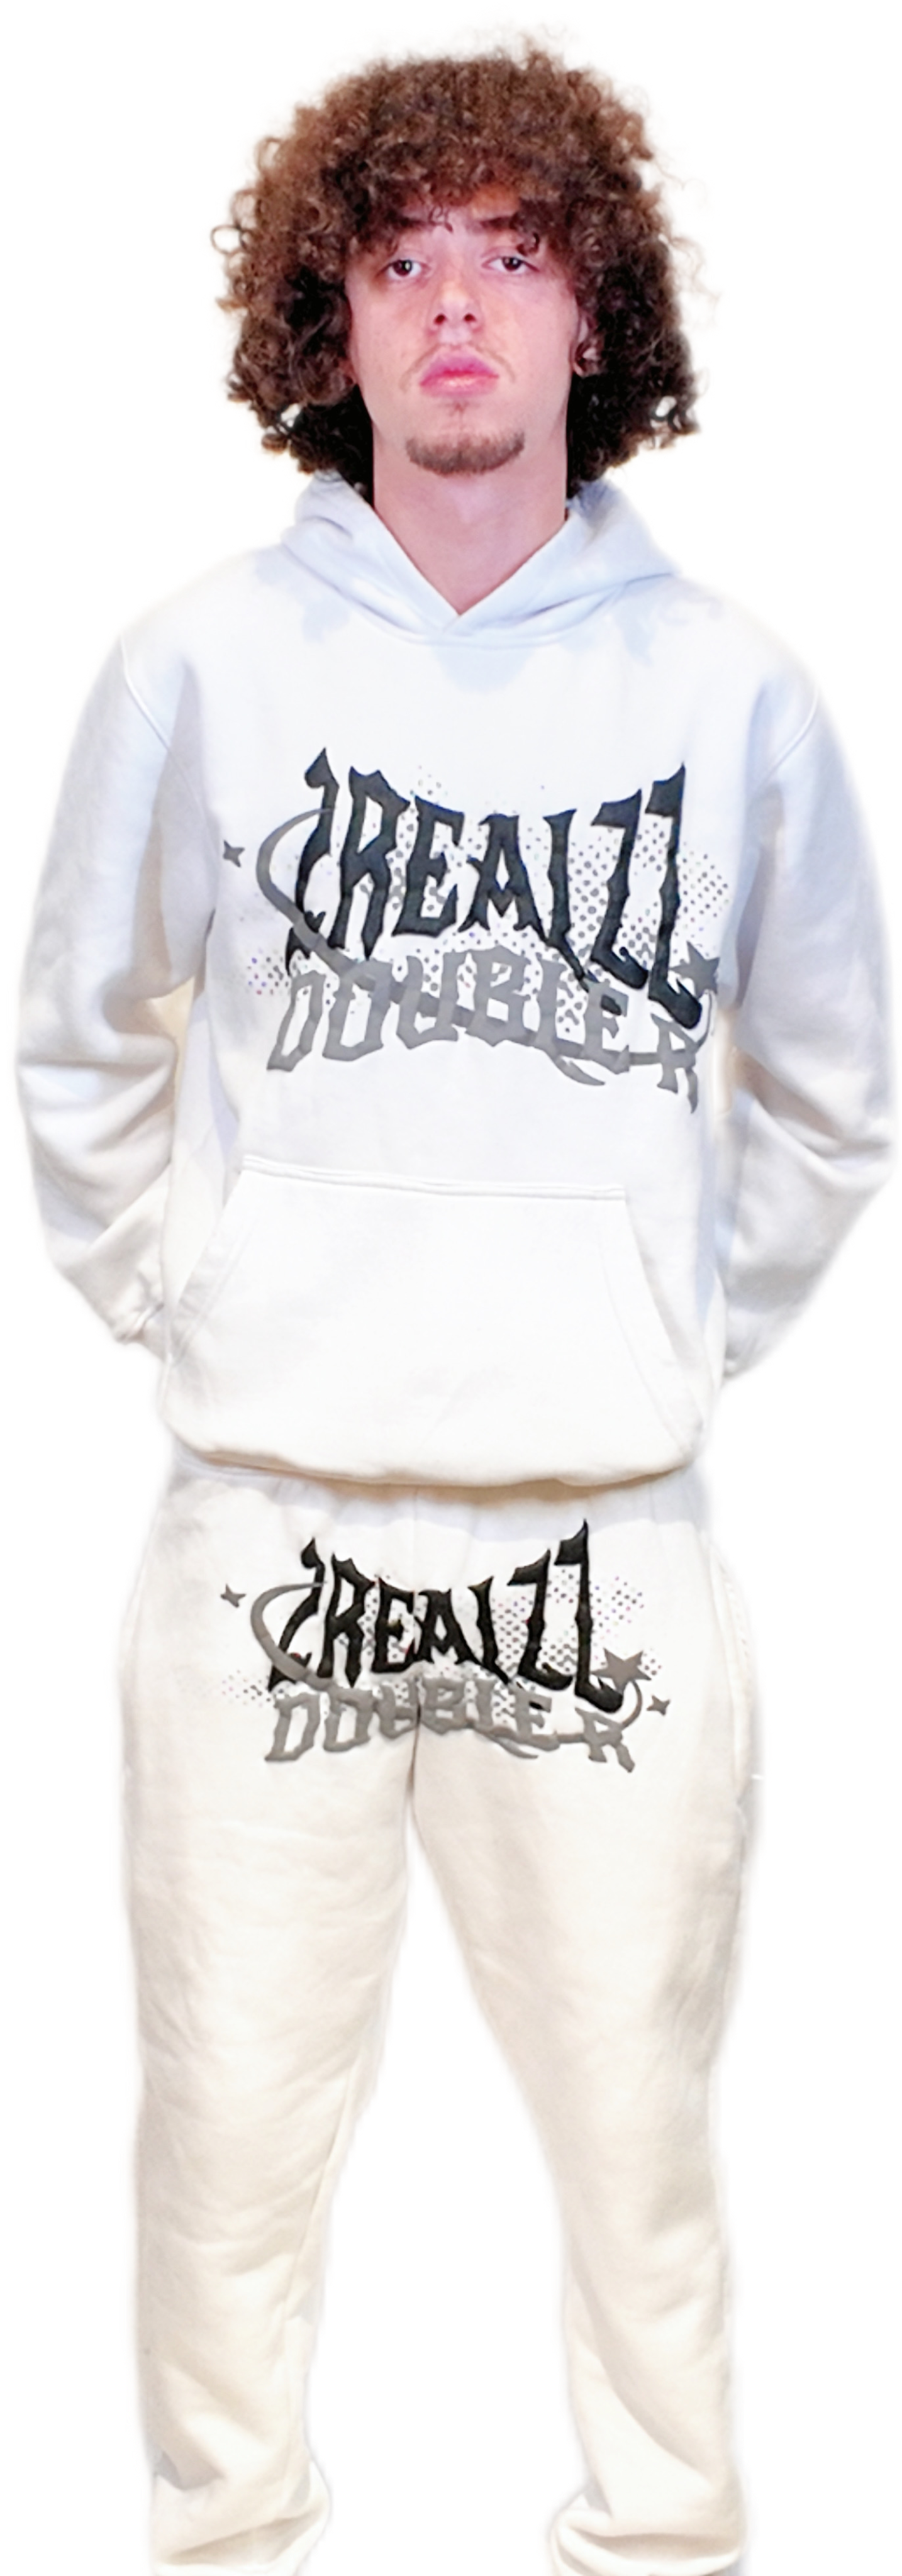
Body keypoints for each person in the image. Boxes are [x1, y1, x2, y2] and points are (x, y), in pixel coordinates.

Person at [4, 9, 899, 2573]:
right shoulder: (193, 662)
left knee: (637, 2148)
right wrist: (200, 1304)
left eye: (514, 257)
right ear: (328, 318)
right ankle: (218, 2559)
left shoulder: (737, 690)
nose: (460, 312)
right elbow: (76, 1043)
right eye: (402, 265)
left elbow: (832, 1097)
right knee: (222, 2140)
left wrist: (657, 1332)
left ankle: (662, 2551)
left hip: (603, 1540)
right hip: (264, 1526)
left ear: (604, 309)